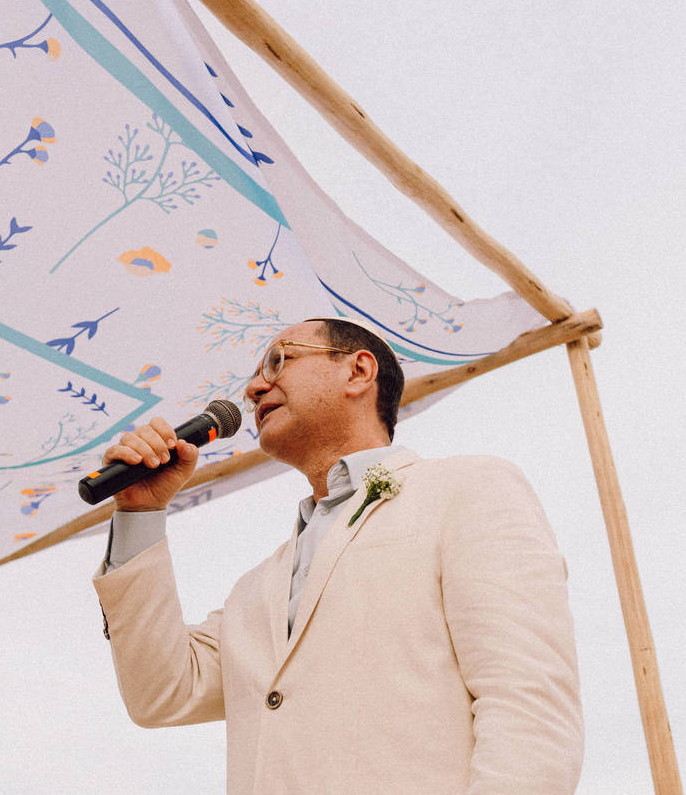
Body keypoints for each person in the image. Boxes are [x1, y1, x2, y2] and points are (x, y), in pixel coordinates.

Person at [92, 316, 584, 794]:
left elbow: (528, 705)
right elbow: (160, 694)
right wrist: (139, 512)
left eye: (277, 361)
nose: (254, 389)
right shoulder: (256, 589)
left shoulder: (466, 490)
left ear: (358, 371)